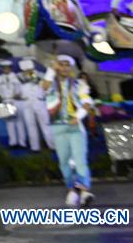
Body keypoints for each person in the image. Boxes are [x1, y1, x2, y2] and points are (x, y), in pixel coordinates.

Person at [43, 55, 94, 207]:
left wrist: (78, 116)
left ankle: (84, 191)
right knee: (64, 161)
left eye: (67, 65)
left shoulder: (79, 84)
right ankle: (72, 189)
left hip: (74, 126)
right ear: (57, 66)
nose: (64, 68)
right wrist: (51, 69)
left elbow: (87, 103)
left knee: (80, 160)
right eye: (61, 65)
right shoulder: (50, 83)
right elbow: (43, 87)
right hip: (58, 126)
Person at [18, 59, 54, 152]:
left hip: (39, 103)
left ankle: (52, 146)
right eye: (25, 70)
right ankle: (35, 147)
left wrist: (37, 80)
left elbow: (49, 89)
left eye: (29, 69)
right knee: (30, 126)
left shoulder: (41, 75)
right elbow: (17, 92)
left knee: (46, 125)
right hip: (26, 104)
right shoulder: (19, 78)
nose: (27, 71)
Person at [0, 60, 26, 147]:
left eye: (7, 68)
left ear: (10, 68)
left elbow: (21, 89)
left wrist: (19, 94)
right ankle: (13, 142)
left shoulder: (16, 77)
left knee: (19, 122)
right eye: (4, 68)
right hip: (5, 101)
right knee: (9, 122)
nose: (5, 70)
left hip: (16, 101)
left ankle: (22, 142)